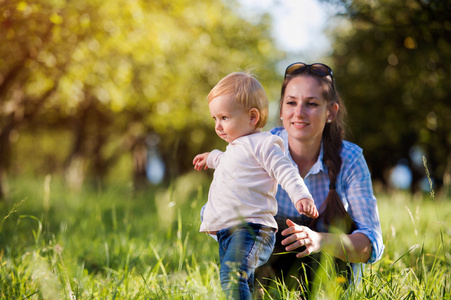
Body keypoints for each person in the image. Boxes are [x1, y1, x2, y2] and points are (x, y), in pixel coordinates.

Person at [255, 62, 385, 296]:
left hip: (330, 279)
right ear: (282, 110)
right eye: (291, 103)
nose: (299, 113)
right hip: (268, 276)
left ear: (331, 112)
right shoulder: (258, 149)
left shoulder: (350, 159)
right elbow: (219, 215)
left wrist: (318, 240)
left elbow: (371, 243)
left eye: (312, 104)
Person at [192, 71, 319, 300]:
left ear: (252, 117)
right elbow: (225, 160)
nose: (218, 126)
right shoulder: (236, 148)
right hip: (227, 230)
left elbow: (285, 171)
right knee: (242, 281)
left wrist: (301, 195)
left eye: (224, 118)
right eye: (215, 119)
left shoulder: (264, 144)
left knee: (232, 275)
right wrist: (210, 157)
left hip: (252, 229)